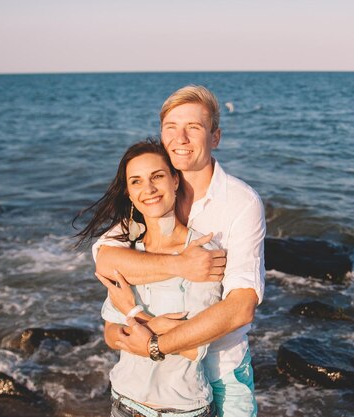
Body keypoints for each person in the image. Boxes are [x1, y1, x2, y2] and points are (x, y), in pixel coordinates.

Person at [93, 85, 266, 416]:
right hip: (148, 385)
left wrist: (153, 342)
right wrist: (181, 265)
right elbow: (106, 259)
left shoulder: (241, 203)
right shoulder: (152, 197)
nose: (180, 138)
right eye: (171, 128)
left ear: (215, 137)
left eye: (194, 128)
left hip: (223, 368)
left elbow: (241, 306)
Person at [75, 140, 219, 417]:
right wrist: (156, 326)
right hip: (123, 402)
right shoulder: (127, 255)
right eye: (136, 181)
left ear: (175, 180)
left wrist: (133, 314)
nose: (149, 189)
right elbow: (110, 335)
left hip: (182, 409)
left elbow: (196, 348)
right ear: (129, 193)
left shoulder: (201, 254)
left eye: (157, 177)